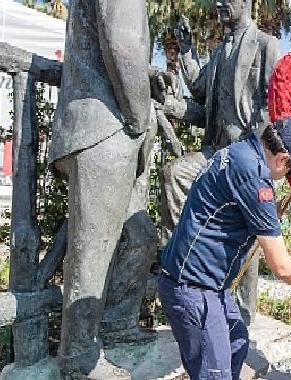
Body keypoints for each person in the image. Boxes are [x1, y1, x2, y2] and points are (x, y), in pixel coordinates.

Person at [158, 117, 291, 380]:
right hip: (193, 288)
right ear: (281, 160)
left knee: (237, 341)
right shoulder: (255, 178)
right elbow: (280, 266)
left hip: (209, 285)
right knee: (214, 373)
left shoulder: (241, 150)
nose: (287, 178)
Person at [155, 0, 279, 328]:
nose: (220, 3)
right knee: (174, 175)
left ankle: (241, 314)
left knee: (245, 219)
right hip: (215, 153)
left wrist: (261, 161)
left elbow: (275, 106)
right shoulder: (220, 51)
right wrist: (185, 48)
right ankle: (189, 262)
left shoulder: (266, 46)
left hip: (247, 157)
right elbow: (198, 91)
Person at [48, 1, 154, 377]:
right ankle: (78, 358)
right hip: (103, 127)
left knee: (140, 235)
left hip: (109, 126)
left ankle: (115, 323)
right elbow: (122, 45)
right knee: (92, 251)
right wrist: (142, 120)